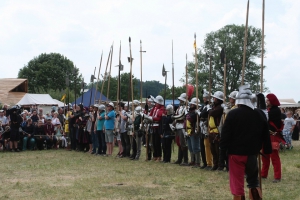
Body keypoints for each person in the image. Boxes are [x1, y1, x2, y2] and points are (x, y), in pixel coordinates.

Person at [220, 85, 272, 200]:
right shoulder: (259, 114)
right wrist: (267, 150)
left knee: (237, 183)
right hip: (252, 154)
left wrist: (222, 155)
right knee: (253, 182)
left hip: (235, 155)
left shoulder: (233, 114)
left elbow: (225, 136)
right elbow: (265, 133)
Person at [261, 93, 285, 183]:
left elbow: (265, 117)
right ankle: (263, 174)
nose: (266, 101)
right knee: (265, 156)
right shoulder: (268, 110)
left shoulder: (275, 111)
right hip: (266, 136)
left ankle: (277, 176)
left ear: (272, 101)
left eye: (268, 100)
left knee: (274, 157)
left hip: (272, 136)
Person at [218, 90, 238, 171]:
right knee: (223, 149)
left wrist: (226, 110)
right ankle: (221, 164)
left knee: (229, 150)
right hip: (225, 129)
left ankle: (229, 165)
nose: (229, 99)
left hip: (231, 131)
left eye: (231, 98)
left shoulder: (236, 107)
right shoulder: (228, 106)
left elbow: (231, 113)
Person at [208, 91, 224, 170]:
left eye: (214, 98)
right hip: (211, 130)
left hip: (217, 130)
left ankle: (219, 164)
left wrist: (209, 110)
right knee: (212, 149)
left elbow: (212, 113)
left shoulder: (220, 108)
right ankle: (215, 164)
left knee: (217, 149)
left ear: (218, 99)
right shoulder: (214, 107)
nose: (213, 99)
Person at [172, 93, 189, 166]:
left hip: (182, 126)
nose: (180, 101)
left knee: (183, 143)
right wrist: (174, 122)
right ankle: (179, 159)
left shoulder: (186, 108)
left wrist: (174, 117)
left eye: (181, 100)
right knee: (179, 143)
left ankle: (185, 160)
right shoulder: (179, 107)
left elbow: (182, 116)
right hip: (178, 126)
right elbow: (177, 115)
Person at [148, 95, 165, 162]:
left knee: (157, 143)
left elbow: (159, 118)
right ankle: (155, 155)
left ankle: (159, 156)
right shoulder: (154, 108)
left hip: (158, 126)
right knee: (154, 142)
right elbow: (151, 115)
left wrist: (152, 118)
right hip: (153, 126)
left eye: (157, 103)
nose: (156, 104)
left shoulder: (162, 109)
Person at [186, 97, 201, 167]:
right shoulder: (190, 112)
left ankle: (197, 162)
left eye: (192, 104)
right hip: (189, 131)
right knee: (190, 147)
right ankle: (193, 160)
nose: (191, 105)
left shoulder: (196, 112)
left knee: (195, 147)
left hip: (194, 130)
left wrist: (187, 114)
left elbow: (190, 118)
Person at [199, 89, 212, 169]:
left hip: (206, 125)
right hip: (202, 125)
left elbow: (204, 114)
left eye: (205, 97)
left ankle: (209, 163)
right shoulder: (204, 106)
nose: (203, 99)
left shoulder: (209, 106)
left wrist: (199, 113)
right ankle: (205, 162)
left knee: (207, 146)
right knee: (202, 146)